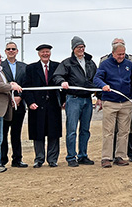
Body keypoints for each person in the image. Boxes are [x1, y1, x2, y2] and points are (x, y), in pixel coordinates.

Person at [52, 36, 98, 167]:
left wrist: (99, 95)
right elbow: (57, 76)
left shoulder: (90, 62)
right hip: (73, 100)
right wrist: (62, 82)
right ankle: (71, 156)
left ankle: (83, 155)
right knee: (71, 130)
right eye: (78, 47)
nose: (81, 49)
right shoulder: (67, 63)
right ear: (73, 49)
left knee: (85, 130)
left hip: (87, 100)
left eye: (83, 47)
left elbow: (96, 78)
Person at [94, 43, 132, 168]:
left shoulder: (129, 64)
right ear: (113, 53)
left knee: (124, 131)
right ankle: (106, 158)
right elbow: (96, 78)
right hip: (110, 102)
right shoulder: (105, 64)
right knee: (108, 131)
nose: (121, 56)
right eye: (119, 54)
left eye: (123, 54)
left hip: (125, 103)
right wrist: (103, 85)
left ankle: (120, 156)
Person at [23, 44, 64, 168]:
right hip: (37, 105)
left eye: (47, 52)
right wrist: (30, 102)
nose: (45, 54)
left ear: (50, 53)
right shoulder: (31, 68)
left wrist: (62, 101)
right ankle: (39, 159)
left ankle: (52, 159)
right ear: (38, 54)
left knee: (54, 133)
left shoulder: (57, 66)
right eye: (42, 52)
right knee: (38, 133)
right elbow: (26, 87)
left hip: (53, 105)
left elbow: (62, 85)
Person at [0, 42, 28, 168]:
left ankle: (17, 159)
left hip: (20, 105)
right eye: (8, 49)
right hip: (4, 105)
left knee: (16, 134)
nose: (11, 51)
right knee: (2, 134)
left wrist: (19, 97)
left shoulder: (24, 67)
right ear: (5, 51)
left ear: (17, 51)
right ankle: (2, 160)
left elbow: (27, 84)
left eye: (13, 49)